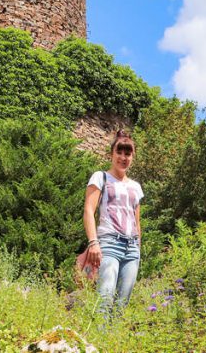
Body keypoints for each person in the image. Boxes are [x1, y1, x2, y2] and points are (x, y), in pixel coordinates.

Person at [83, 130, 143, 316]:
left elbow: (137, 221)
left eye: (128, 153)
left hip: (132, 248)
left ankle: (113, 342)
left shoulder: (136, 186)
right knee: (105, 299)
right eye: (119, 152)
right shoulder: (100, 177)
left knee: (121, 305)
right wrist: (93, 242)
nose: (123, 157)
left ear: (132, 156)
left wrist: (139, 249)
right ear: (112, 154)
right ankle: (98, 343)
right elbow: (88, 211)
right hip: (109, 244)